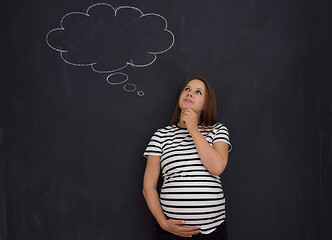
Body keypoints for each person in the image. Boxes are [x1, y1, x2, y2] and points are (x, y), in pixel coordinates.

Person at [142, 77, 232, 240]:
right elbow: (148, 188)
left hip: (213, 231)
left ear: (206, 105)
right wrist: (163, 223)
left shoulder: (217, 130)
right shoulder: (161, 135)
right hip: (170, 231)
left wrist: (193, 128)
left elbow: (217, 167)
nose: (190, 93)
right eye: (187, 89)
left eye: (198, 92)